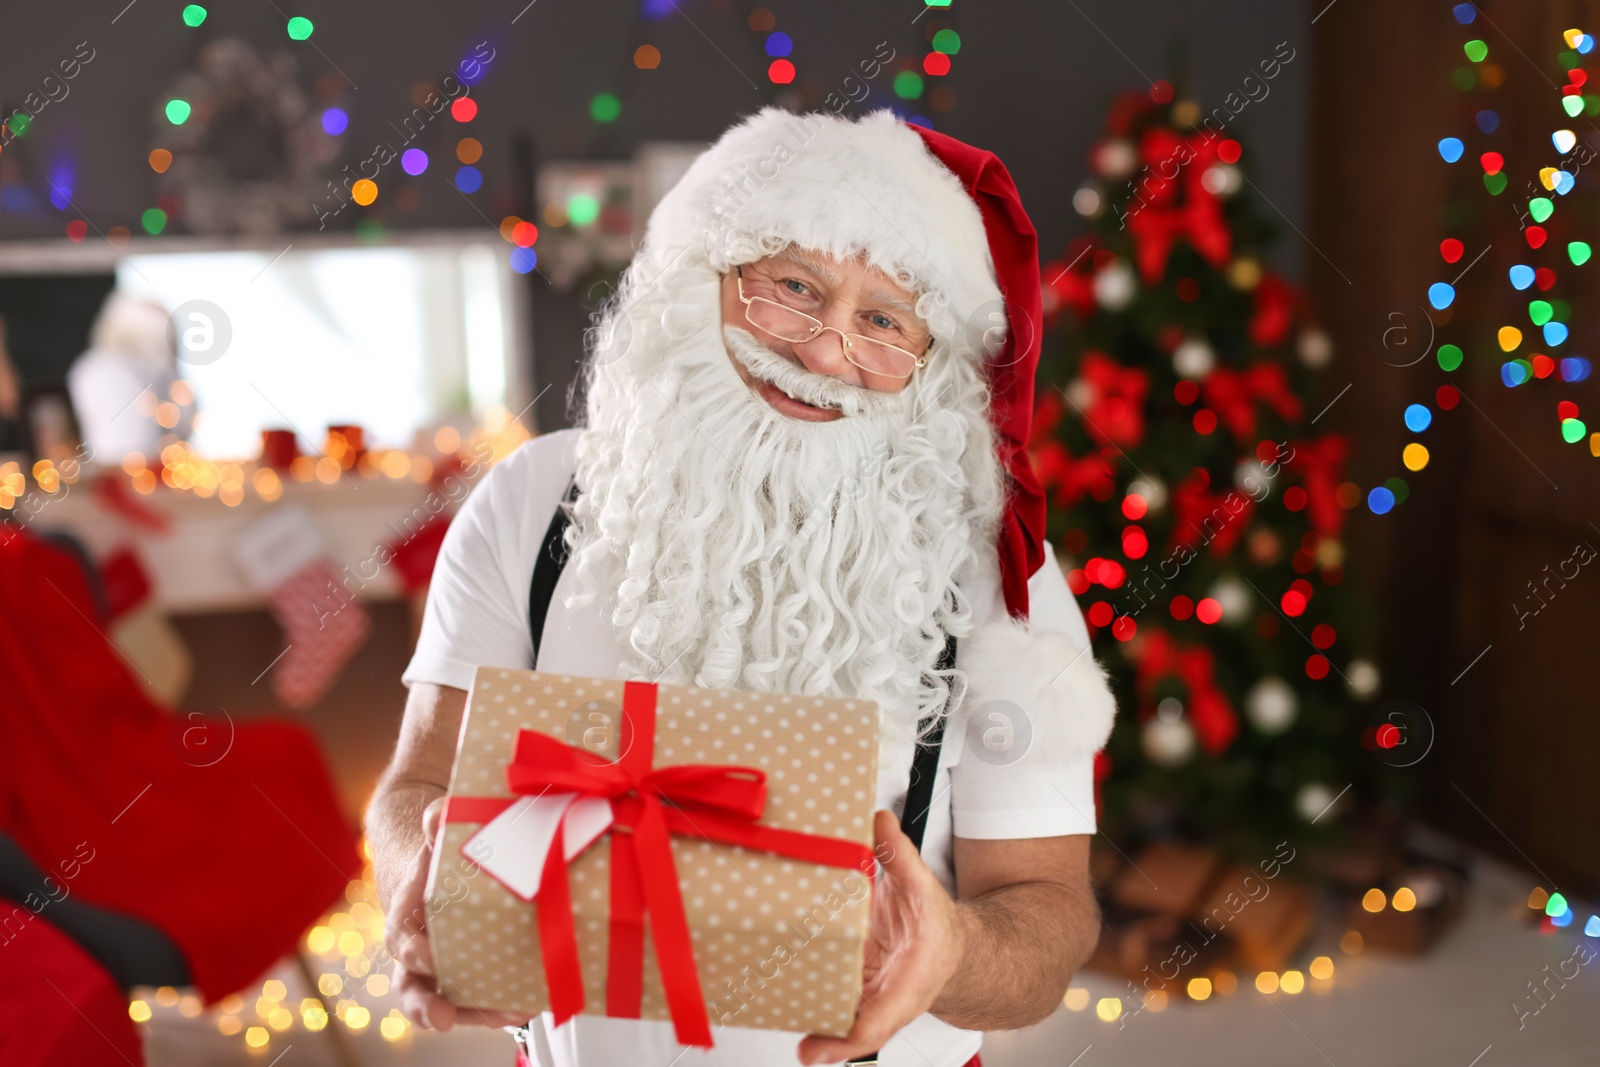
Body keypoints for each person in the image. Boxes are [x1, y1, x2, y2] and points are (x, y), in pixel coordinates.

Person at [367, 105, 1118, 1067]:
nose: (822, 351)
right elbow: (419, 783)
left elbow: (1048, 915)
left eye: (883, 321)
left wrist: (955, 952)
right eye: (791, 287)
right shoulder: (535, 499)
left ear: (932, 371)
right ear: (703, 279)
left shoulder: (998, 576)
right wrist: (411, 880)